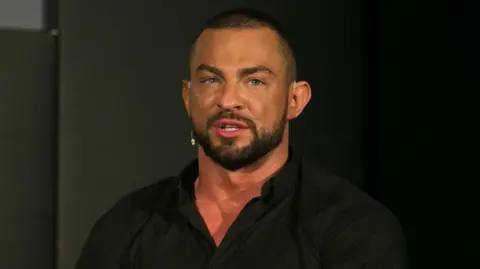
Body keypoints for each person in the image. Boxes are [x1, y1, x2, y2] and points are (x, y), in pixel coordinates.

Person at [75, 7, 408, 269]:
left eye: (254, 82)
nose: (228, 100)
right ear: (188, 97)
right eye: (210, 80)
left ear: (295, 100)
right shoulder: (128, 225)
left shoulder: (352, 227)